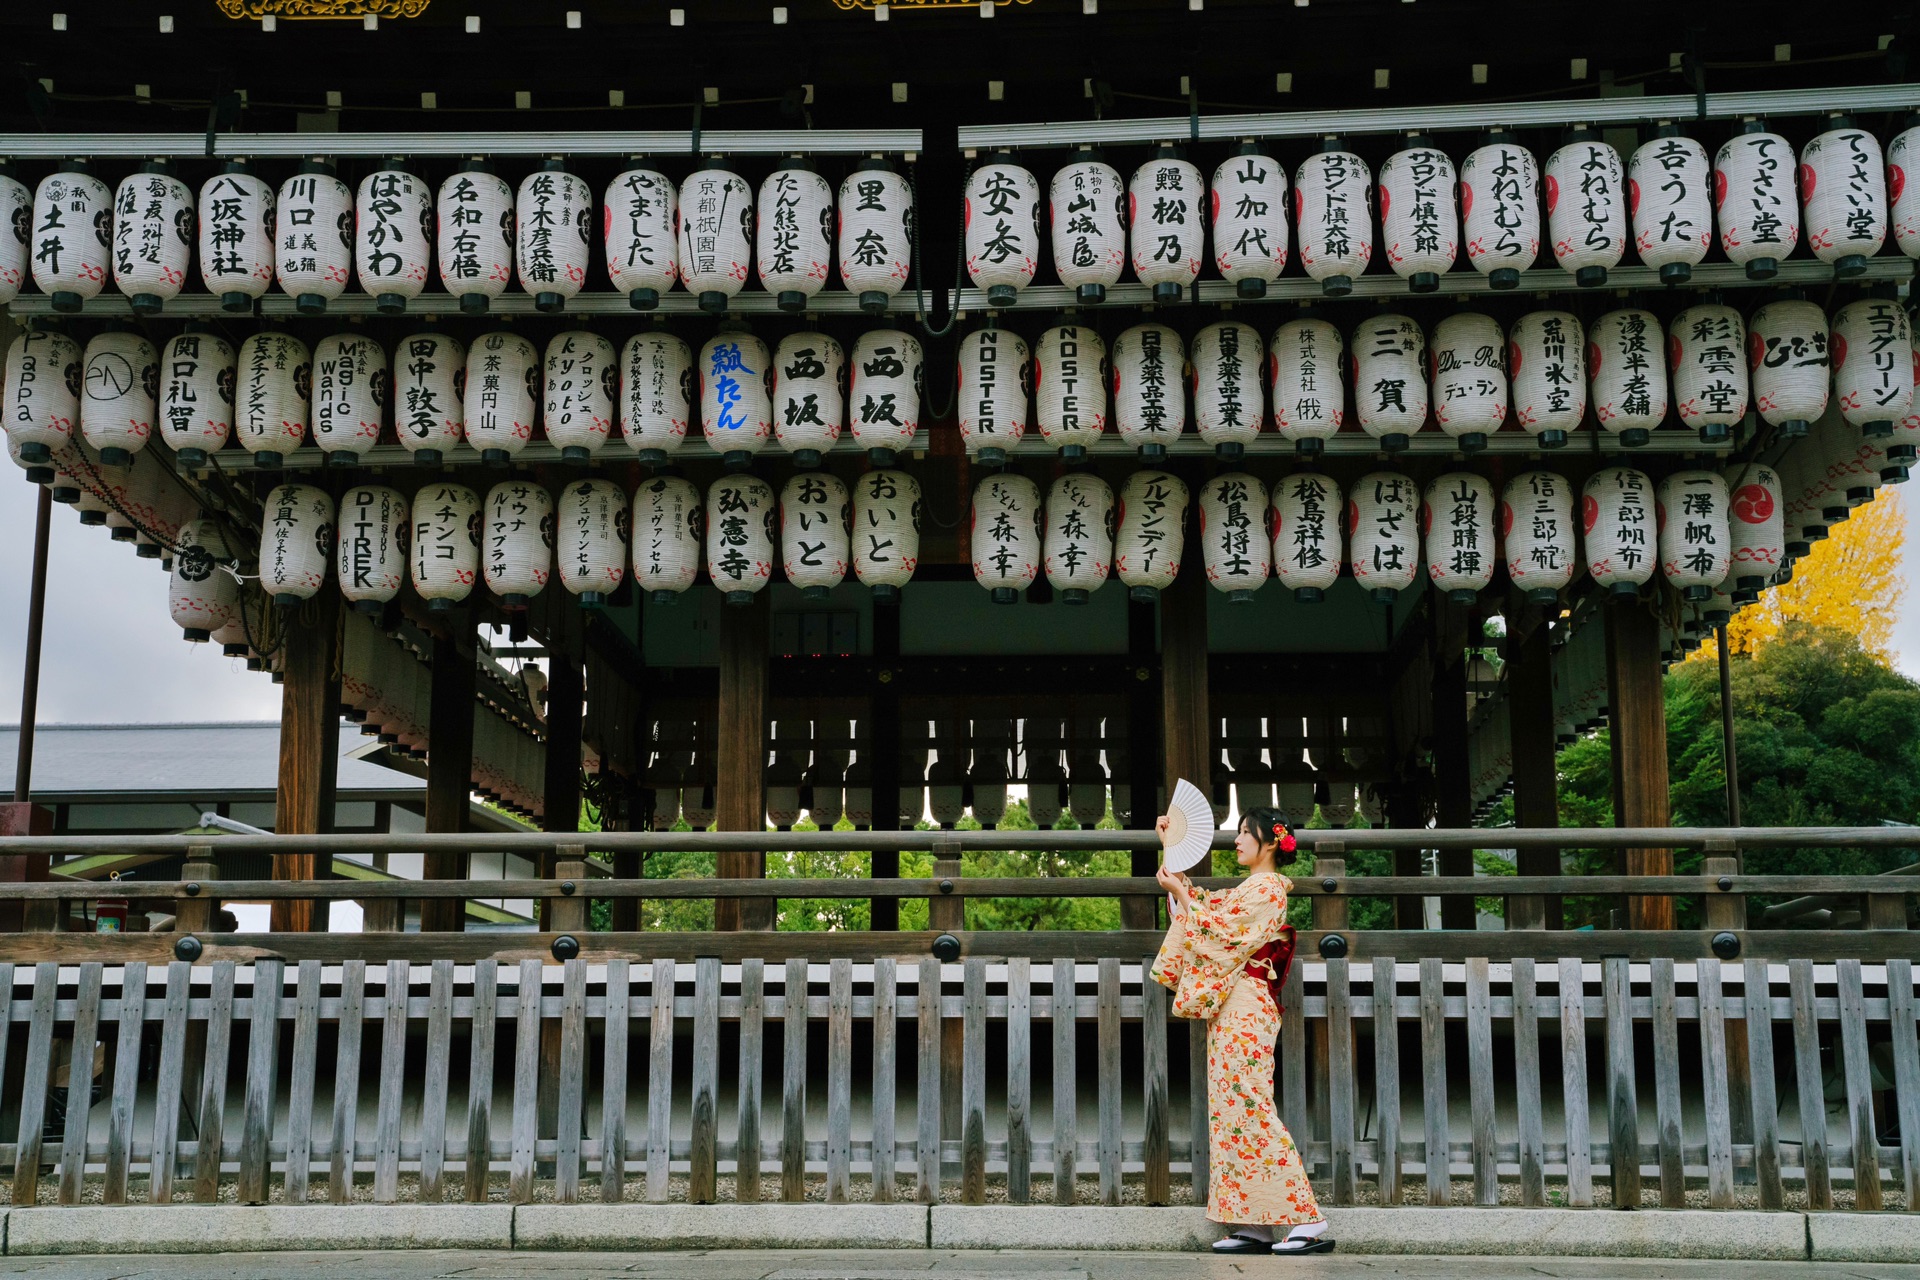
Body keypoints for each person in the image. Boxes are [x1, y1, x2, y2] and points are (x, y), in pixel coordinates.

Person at [1151, 805, 1334, 1256]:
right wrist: (1170, 851)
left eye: (1244, 833)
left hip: (1249, 1006)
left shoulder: (1269, 889)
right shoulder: (1251, 888)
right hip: (1234, 1008)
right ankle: (1255, 1223)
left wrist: (1186, 897)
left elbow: (1222, 932)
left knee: (1249, 1104)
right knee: (1230, 1112)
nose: (1236, 841)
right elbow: (1206, 911)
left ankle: (1308, 1218)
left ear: (1269, 842)